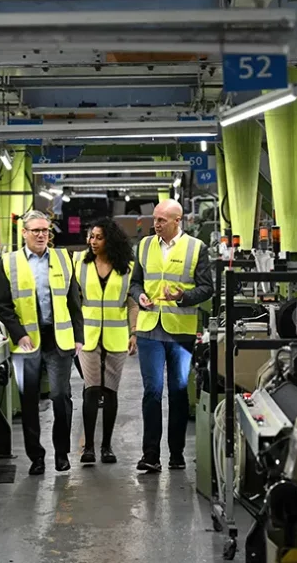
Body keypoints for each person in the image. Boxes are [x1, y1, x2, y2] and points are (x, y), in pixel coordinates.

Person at [0, 210, 85, 475]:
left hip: (58, 339)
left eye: (45, 230)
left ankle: (61, 454)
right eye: (36, 230)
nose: (41, 235)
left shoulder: (63, 258)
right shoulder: (9, 262)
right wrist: (18, 334)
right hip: (26, 341)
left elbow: (73, 301)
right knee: (29, 400)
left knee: (61, 396)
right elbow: (3, 306)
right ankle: (36, 456)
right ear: (24, 233)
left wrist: (78, 336)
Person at [129, 199, 213, 472]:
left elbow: (207, 288)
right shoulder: (144, 246)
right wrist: (139, 296)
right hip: (149, 328)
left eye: (161, 220)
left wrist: (183, 296)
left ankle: (176, 453)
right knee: (152, 391)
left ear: (178, 221)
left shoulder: (196, 248)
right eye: (155, 219)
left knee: (178, 392)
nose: (156, 224)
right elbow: (135, 283)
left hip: (181, 330)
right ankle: (150, 455)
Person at [74, 218, 138, 464]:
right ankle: (89, 447)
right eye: (91, 236)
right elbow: (73, 299)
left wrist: (134, 332)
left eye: (99, 238)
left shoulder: (128, 268)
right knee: (91, 390)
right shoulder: (79, 262)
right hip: (87, 337)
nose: (93, 242)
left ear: (111, 240)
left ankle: (107, 447)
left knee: (110, 391)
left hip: (116, 337)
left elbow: (132, 303)